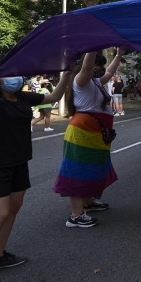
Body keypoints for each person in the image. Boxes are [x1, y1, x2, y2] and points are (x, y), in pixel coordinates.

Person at [0, 66, 72, 282]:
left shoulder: (23, 97)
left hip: (18, 162)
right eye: (8, 74)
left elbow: (53, 97)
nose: (15, 77)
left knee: (12, 210)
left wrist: (67, 75)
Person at [53, 49, 124, 228]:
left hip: (95, 133)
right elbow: (86, 68)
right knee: (78, 170)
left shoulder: (96, 82)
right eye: (96, 65)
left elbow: (109, 72)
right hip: (82, 133)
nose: (100, 69)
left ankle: (88, 202)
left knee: (93, 167)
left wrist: (119, 54)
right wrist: (92, 46)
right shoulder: (81, 81)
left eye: (101, 66)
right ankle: (76, 216)